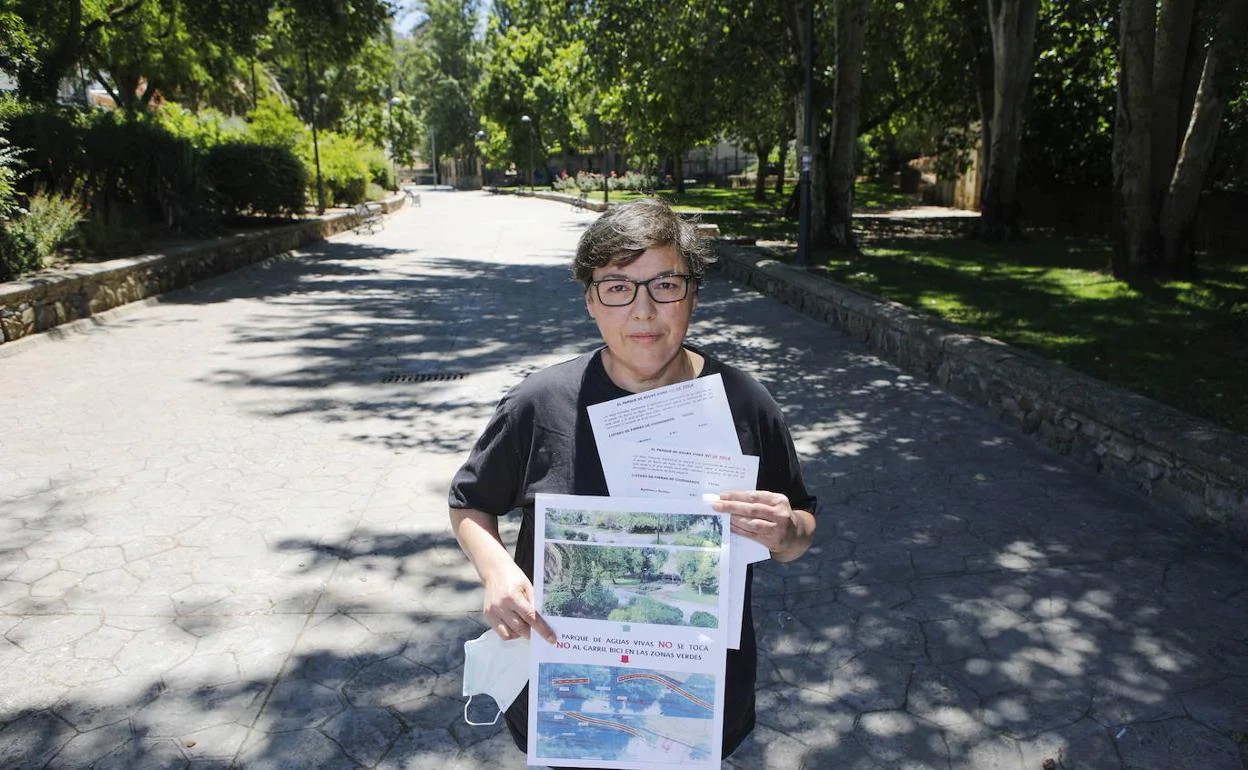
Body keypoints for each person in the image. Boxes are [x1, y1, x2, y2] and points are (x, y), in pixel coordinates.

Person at [447, 197, 818, 764]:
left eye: (664, 285)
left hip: (696, 698)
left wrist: (787, 530)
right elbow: (469, 502)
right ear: (591, 301)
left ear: (693, 294)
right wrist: (497, 572)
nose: (643, 311)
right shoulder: (539, 403)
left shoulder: (743, 402)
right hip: (565, 696)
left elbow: (801, 530)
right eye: (618, 288)